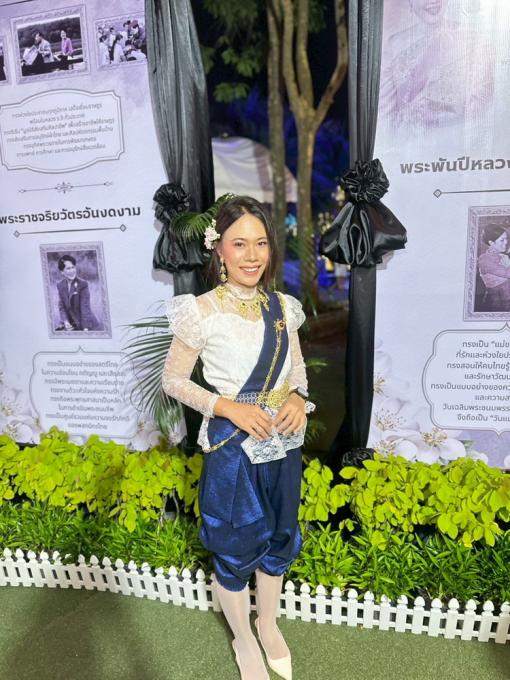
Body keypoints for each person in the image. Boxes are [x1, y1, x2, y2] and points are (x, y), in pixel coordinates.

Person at [162, 196, 312, 680]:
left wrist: (298, 398)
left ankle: (267, 625)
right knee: (236, 541)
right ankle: (243, 639)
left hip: (282, 442)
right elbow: (173, 380)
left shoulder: (283, 307)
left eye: (261, 243)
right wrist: (227, 407)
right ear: (219, 250)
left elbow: (297, 371)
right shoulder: (200, 311)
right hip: (232, 448)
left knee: (280, 536)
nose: (252, 255)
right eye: (239, 244)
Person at [56, 255, 99, 331]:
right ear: (62, 272)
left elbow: (85, 308)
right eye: (68, 268)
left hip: (84, 323)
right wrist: (65, 321)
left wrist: (85, 328)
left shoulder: (83, 284)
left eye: (73, 267)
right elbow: (61, 307)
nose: (72, 271)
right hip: (70, 323)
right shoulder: (60, 285)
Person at [477, 225, 510, 312]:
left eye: (506, 239)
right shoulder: (484, 259)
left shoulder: (503, 255)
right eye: (502, 240)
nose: (506, 242)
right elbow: (507, 273)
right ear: (491, 243)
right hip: (498, 303)